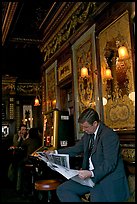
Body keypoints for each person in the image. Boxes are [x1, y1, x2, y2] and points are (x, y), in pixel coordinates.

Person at [46, 108, 130, 202]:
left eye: (86, 127)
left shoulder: (109, 135)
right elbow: (77, 148)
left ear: (95, 123)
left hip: (106, 179)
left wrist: (91, 173)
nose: (83, 130)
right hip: (90, 178)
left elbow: (109, 164)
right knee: (63, 189)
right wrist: (56, 152)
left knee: (95, 197)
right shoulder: (88, 134)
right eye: (82, 127)